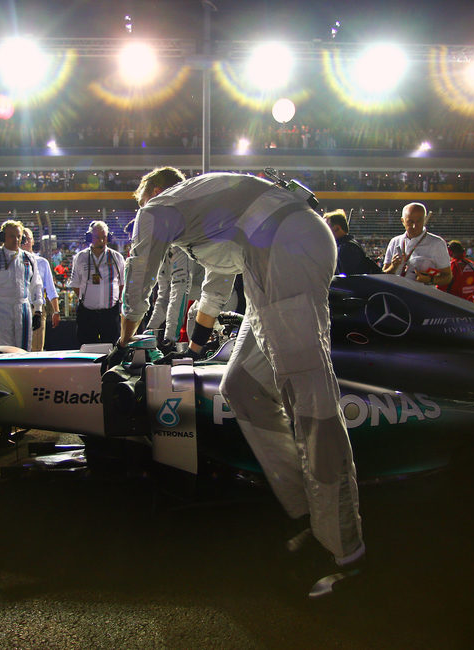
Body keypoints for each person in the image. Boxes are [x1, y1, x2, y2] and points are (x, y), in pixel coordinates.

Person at [108, 166, 364, 598]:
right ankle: (307, 514)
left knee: (311, 401)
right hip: (277, 249)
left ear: (151, 192)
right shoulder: (213, 207)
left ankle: (344, 550)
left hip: (287, 246)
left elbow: (140, 274)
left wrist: (123, 340)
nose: (142, 214)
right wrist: (195, 346)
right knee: (242, 386)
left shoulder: (157, 207)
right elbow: (218, 283)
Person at [0, 220, 43, 350]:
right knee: (4, 349)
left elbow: (36, 285)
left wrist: (38, 310)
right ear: (2, 237)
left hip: (23, 307)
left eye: (19, 236)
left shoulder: (29, 258)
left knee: (24, 350)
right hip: (0, 308)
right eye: (12, 236)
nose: (16, 239)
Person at [70, 220, 125, 345]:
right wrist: (89, 299)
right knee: (87, 349)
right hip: (87, 314)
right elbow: (75, 284)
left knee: (112, 349)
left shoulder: (117, 258)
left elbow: (122, 283)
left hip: (110, 314)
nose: (101, 240)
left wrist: (115, 300)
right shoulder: (80, 258)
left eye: (104, 237)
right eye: (97, 237)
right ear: (89, 237)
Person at [382, 202, 452, 287]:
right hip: (396, 296)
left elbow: (448, 277)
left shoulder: (437, 243)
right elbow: (383, 274)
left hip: (422, 297)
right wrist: (393, 267)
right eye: (410, 221)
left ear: (425, 219)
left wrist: (429, 280)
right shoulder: (395, 242)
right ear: (402, 221)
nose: (415, 226)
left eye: (419, 221)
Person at [20, 227, 61, 351]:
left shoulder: (42, 262)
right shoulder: (13, 262)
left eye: (28, 239)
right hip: (18, 308)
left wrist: (56, 311)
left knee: (36, 349)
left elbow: (50, 289)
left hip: (36, 309)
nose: (26, 242)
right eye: (23, 239)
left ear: (33, 241)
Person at [325, 209, 382, 275]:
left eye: (326, 226)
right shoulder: (346, 245)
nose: (323, 230)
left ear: (337, 228)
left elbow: (348, 280)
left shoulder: (347, 248)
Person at [444, 240, 474, 305]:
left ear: (449, 252)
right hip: (469, 307)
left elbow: (441, 289)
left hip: (451, 306)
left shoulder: (450, 266)